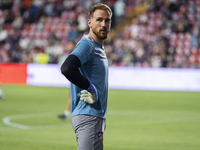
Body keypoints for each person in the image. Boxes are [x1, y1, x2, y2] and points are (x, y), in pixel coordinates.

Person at [61, 3, 112, 150]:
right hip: (88, 116)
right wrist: (90, 88)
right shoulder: (87, 44)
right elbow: (67, 68)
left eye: (107, 20)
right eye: (99, 20)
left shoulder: (98, 47)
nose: (103, 24)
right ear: (89, 23)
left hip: (94, 117)